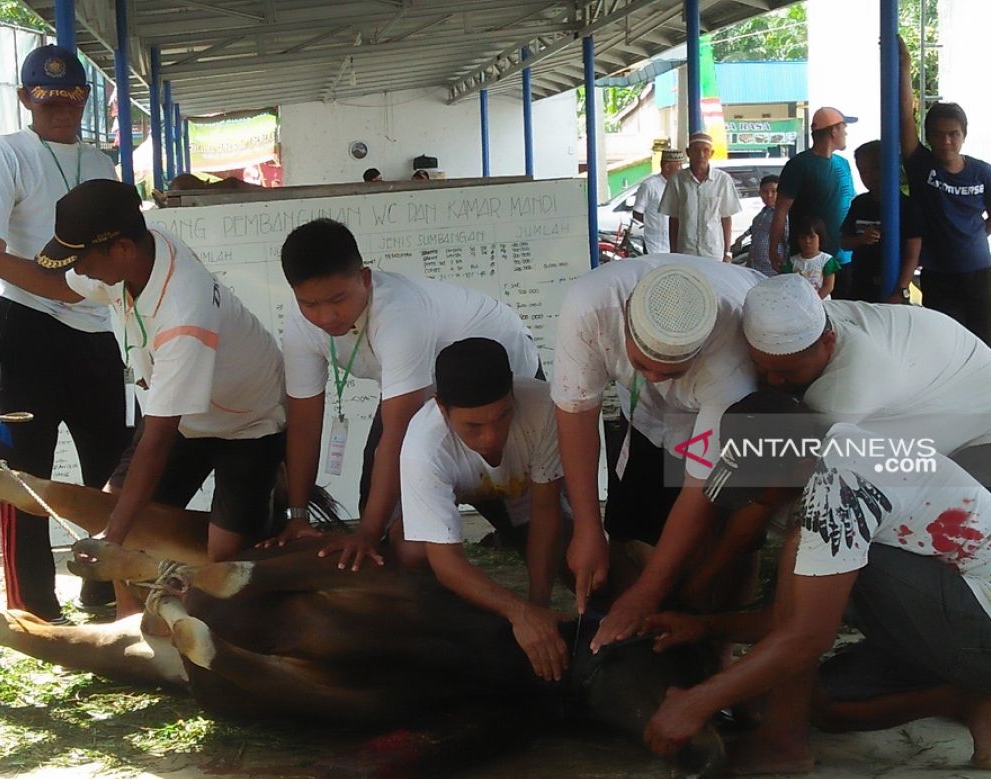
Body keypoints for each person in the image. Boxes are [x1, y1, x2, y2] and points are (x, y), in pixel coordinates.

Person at [643, 390, 991, 774]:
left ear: (800, 463)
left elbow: (807, 635)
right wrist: (704, 627)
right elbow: (793, 619)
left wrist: (698, 702)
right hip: (961, 633)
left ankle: (782, 743)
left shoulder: (839, 482)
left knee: (806, 542)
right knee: (825, 707)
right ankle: (976, 698)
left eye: (759, 489)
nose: (756, 503)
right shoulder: (827, 452)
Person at [0, 179, 289, 614]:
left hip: (248, 423)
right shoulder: (135, 256)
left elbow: (156, 438)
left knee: (224, 554)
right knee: (117, 508)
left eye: (84, 259)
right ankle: (129, 626)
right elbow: (58, 284)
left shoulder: (184, 315)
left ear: (121, 249)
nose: (80, 269)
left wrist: (112, 539)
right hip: (189, 417)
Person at [0, 44, 130, 621]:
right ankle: (32, 604)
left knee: (110, 460)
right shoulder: (6, 154)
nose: (60, 107)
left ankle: (104, 586)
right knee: (25, 467)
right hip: (24, 321)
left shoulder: (102, 163)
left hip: (93, 322)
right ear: (25, 100)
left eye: (73, 96)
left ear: (86, 98)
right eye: (46, 96)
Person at [275, 219, 540, 572]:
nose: (326, 316)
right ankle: (418, 579)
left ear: (365, 279)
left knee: (524, 514)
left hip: (496, 373)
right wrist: (298, 516)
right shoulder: (299, 325)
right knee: (381, 504)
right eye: (309, 304)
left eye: (338, 299)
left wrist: (368, 531)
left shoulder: (399, 315)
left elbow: (397, 435)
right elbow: (305, 424)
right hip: (427, 383)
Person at [551, 256, 764, 648]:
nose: (652, 378)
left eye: (668, 373)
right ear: (626, 320)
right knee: (630, 533)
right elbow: (577, 415)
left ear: (697, 354)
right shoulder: (589, 308)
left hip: (713, 418)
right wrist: (586, 526)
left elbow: (699, 487)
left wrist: (648, 593)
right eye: (640, 364)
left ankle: (716, 649)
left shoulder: (733, 363)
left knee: (720, 548)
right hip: (645, 419)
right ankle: (637, 639)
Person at [741, 274, 991, 516]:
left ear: (828, 342)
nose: (773, 380)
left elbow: (775, 490)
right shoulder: (804, 321)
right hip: (919, 386)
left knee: (971, 545)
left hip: (981, 414)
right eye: (760, 367)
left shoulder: (846, 388)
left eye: (787, 373)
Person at [401, 338, 570, 682]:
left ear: (513, 395)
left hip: (519, 492)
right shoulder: (423, 446)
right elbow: (446, 562)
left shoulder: (543, 405)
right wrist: (517, 612)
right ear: (442, 408)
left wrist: (538, 607)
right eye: (473, 427)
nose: (491, 437)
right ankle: (448, 618)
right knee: (411, 551)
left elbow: (546, 510)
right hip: (459, 491)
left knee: (573, 556)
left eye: (503, 416)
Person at [899, 38, 991, 351]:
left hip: (979, 271)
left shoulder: (982, 171)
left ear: (963, 135)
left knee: (985, 347)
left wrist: (970, 235)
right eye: (938, 134)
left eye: (953, 134)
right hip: (937, 274)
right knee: (946, 346)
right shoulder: (922, 166)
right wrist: (905, 65)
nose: (946, 140)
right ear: (930, 137)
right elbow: (906, 119)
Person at [768, 107, 856, 297]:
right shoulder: (799, 165)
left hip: (843, 255)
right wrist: (774, 247)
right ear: (833, 131)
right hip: (808, 258)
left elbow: (851, 203)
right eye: (843, 127)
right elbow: (781, 210)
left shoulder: (843, 164)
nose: (846, 132)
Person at [839, 139, 924, 303]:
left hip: (893, 287)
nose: (870, 176)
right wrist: (861, 239)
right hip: (861, 286)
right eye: (863, 172)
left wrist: (901, 290)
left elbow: (912, 254)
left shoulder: (907, 206)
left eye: (875, 169)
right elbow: (844, 242)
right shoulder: (859, 203)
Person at [657, 132, 741, 260]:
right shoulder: (677, 180)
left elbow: (726, 218)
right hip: (685, 252)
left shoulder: (723, 180)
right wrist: (673, 254)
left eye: (705, 150)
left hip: (713, 252)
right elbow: (673, 219)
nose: (701, 155)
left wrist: (727, 253)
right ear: (688, 152)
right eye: (696, 150)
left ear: (711, 153)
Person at [632, 149, 685, 254]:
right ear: (667, 167)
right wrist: (653, 224)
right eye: (678, 165)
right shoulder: (649, 185)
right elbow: (637, 213)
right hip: (655, 246)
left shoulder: (681, 185)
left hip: (676, 245)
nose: (681, 169)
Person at [733, 174, 786, 276]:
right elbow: (754, 228)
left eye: (774, 191)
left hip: (772, 270)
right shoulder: (762, 214)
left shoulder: (783, 215)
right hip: (755, 267)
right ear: (760, 193)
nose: (769, 195)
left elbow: (787, 241)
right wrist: (742, 237)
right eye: (765, 192)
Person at [782, 216, 840, 298]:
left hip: (820, 303)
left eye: (812, 237)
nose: (807, 241)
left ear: (820, 238)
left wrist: (815, 301)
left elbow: (828, 286)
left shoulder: (827, 261)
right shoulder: (792, 262)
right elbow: (786, 284)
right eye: (803, 238)